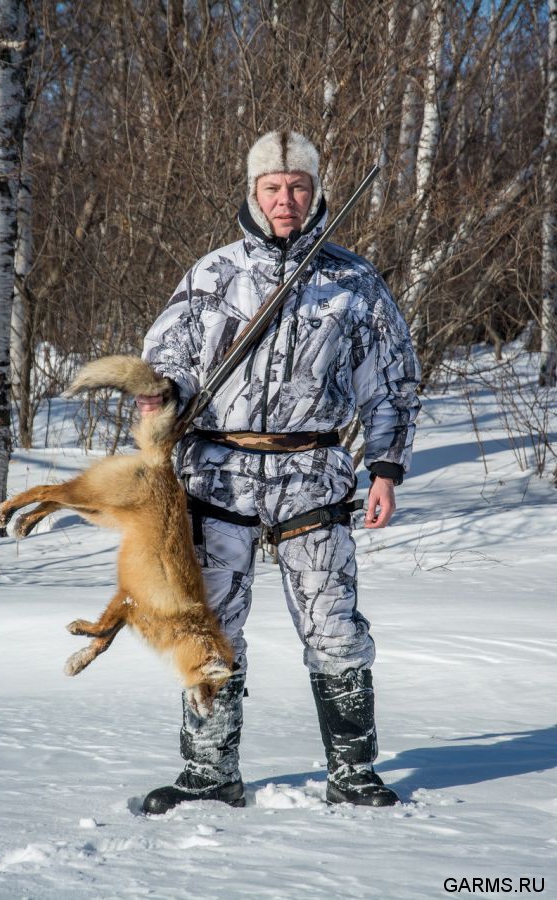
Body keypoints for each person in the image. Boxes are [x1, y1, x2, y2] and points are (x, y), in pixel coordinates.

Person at [137, 130, 420, 814]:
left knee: (336, 628)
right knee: (211, 631)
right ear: (252, 191)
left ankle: (352, 770)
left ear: (315, 189)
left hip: (313, 475)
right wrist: (157, 400)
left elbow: (394, 385)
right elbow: (165, 363)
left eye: (296, 186)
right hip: (218, 476)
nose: (284, 199)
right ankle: (210, 774)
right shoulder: (211, 276)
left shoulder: (355, 282)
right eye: (271, 187)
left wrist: (384, 469)